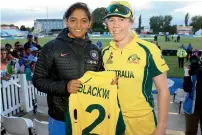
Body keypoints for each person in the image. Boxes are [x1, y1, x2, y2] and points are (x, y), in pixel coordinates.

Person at [32, 2, 104, 135]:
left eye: (83, 21)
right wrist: (65, 87)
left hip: (89, 117)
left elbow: (101, 79)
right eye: (73, 20)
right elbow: (38, 80)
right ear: (66, 21)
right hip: (61, 119)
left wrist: (109, 82)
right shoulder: (51, 47)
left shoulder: (95, 50)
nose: (78, 25)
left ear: (89, 23)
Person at [102, 1, 170, 135]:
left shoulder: (149, 50)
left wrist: (161, 126)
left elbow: (163, 90)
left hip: (142, 124)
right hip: (112, 122)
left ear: (131, 22)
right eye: (111, 20)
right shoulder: (104, 52)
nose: (115, 25)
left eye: (121, 19)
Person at [183, 54, 202, 135]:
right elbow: (187, 88)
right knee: (190, 132)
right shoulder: (192, 73)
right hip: (192, 108)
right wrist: (187, 73)